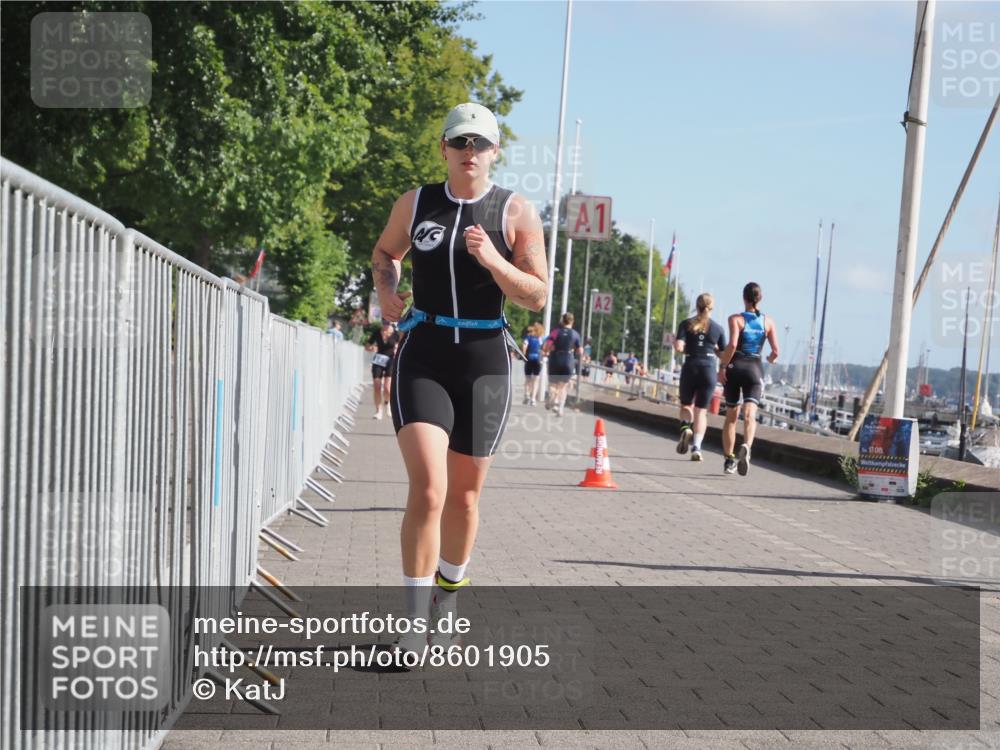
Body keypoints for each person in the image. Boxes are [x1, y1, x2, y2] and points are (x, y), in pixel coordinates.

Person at [371, 102, 547, 652]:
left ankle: (450, 591)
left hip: (484, 358)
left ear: (496, 152)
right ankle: (413, 621)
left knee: (465, 500)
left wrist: (495, 262)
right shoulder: (416, 202)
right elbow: (385, 251)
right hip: (424, 352)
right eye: (460, 142)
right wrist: (385, 290)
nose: (470, 152)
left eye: (480, 144)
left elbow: (537, 292)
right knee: (428, 489)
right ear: (444, 148)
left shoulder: (515, 211)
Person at [718, 283, 779, 475]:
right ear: (759, 298)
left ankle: (729, 460)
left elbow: (733, 344)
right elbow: (776, 351)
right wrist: (769, 359)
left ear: (744, 298)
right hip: (755, 368)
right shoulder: (768, 322)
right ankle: (747, 446)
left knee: (731, 417)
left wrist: (722, 367)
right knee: (750, 413)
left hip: (735, 368)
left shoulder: (735, 319)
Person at [673, 293, 727, 462]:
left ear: (696, 306)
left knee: (686, 405)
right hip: (709, 369)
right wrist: (713, 350)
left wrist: (681, 342)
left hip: (691, 367)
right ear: (711, 308)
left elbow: (679, 348)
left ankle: (685, 427)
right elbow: (723, 354)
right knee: (701, 412)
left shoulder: (686, 324)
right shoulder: (718, 329)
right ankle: (697, 447)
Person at [542, 312, 582, 417]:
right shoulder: (575, 334)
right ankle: (560, 409)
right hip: (568, 360)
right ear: (572, 322)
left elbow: (547, 346)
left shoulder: (555, 332)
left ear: (562, 320)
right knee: (563, 386)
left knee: (553, 384)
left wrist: (549, 349)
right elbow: (580, 351)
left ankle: (552, 399)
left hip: (555, 359)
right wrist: (573, 349)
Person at [365, 321, 399, 419]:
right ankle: (378, 411)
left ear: (391, 324)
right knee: (377, 386)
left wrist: (397, 349)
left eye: (388, 323)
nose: (386, 325)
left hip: (390, 360)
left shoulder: (396, 333)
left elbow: (401, 344)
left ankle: (387, 404)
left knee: (388, 388)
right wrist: (371, 348)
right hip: (378, 360)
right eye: (384, 322)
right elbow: (367, 346)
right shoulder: (377, 332)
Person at [522, 322, 544, 405]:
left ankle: (527, 394)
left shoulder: (528, 337)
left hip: (529, 359)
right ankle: (533, 398)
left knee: (528, 378)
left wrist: (524, 355)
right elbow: (542, 348)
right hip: (537, 360)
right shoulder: (540, 338)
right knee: (536, 379)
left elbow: (524, 345)